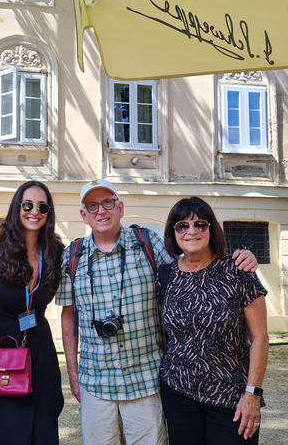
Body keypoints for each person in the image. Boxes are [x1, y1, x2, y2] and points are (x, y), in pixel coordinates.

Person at [57, 180, 258, 445]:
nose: (101, 211)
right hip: (96, 383)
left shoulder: (147, 243)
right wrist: (72, 374)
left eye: (108, 203)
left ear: (120, 208)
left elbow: (191, 266)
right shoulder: (72, 255)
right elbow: (69, 317)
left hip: (146, 381)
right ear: (83, 215)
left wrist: (237, 257)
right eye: (92, 206)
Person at [158, 197, 268, 444]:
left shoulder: (238, 271)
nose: (191, 231)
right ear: (173, 232)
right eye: (182, 226)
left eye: (200, 224)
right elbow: (166, 336)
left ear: (212, 229)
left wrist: (253, 394)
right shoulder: (165, 276)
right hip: (178, 393)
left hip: (232, 396)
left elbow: (260, 337)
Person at [0, 181, 65, 445]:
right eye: (27, 205)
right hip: (2, 342)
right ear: (17, 208)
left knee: (43, 423)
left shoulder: (56, 252)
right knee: (5, 429)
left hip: (40, 345)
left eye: (42, 206)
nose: (34, 211)